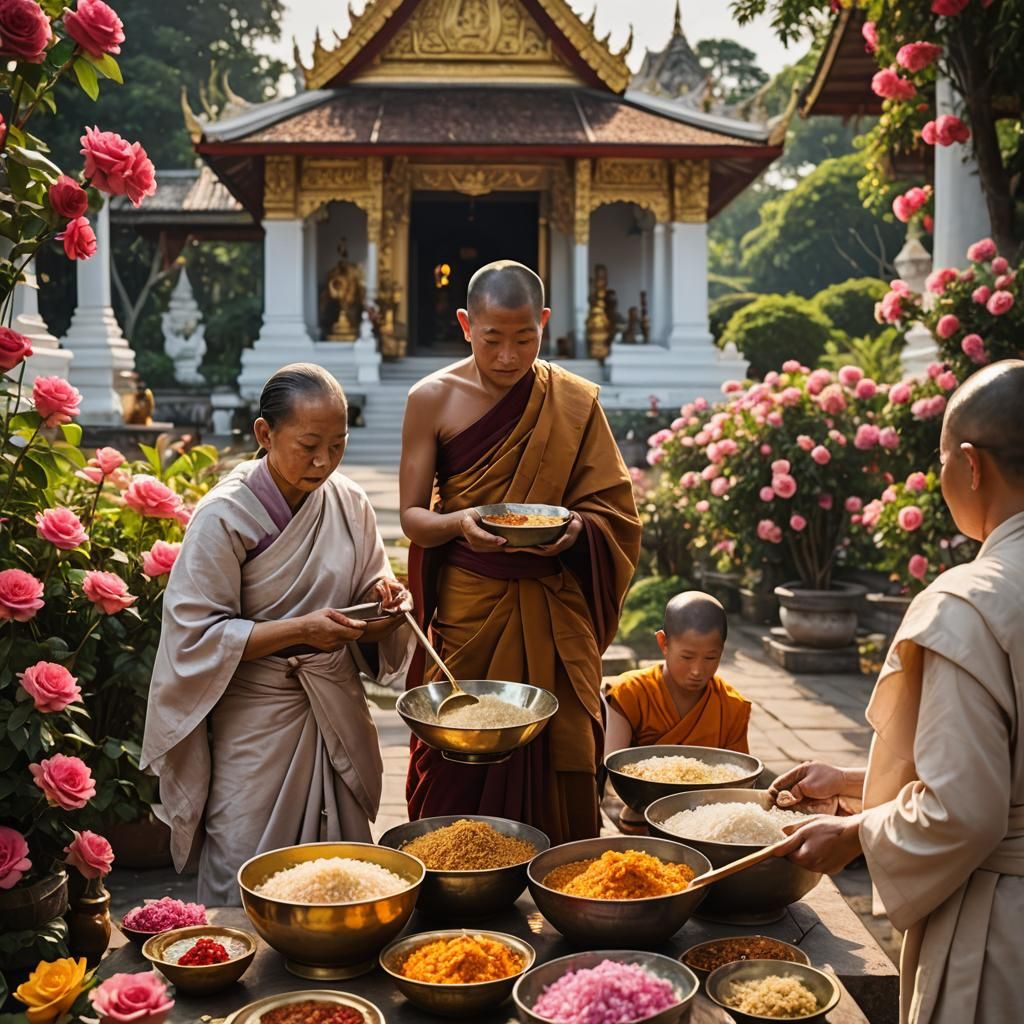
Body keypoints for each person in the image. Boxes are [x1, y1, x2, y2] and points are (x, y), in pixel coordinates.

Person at [769, 359, 1024, 1024]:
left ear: (969, 466)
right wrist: (861, 779)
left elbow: (965, 811)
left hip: (1005, 931)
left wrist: (854, 833)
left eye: (939, 461)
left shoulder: (974, 603)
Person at [142, 364, 413, 904]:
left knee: (344, 873)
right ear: (265, 434)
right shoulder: (224, 515)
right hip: (257, 715)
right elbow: (195, 636)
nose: (323, 462)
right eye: (308, 445)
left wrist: (388, 597)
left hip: (334, 701)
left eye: (337, 446)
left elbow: (369, 582)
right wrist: (300, 630)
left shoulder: (348, 500)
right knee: (241, 859)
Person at [399, 260, 642, 844]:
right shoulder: (431, 398)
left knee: (568, 744)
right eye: (492, 340)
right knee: (461, 750)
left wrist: (579, 530)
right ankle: (456, 876)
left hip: (555, 603)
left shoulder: (573, 400)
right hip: (471, 608)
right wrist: (459, 522)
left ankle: (563, 878)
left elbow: (615, 511)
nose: (509, 356)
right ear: (465, 324)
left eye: (525, 339)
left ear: (546, 324)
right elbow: (413, 518)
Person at [605, 591, 751, 831]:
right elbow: (615, 767)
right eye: (687, 656)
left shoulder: (732, 705)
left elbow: (737, 780)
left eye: (710, 658)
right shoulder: (630, 691)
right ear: (663, 643)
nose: (697, 670)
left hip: (706, 821)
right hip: (638, 813)